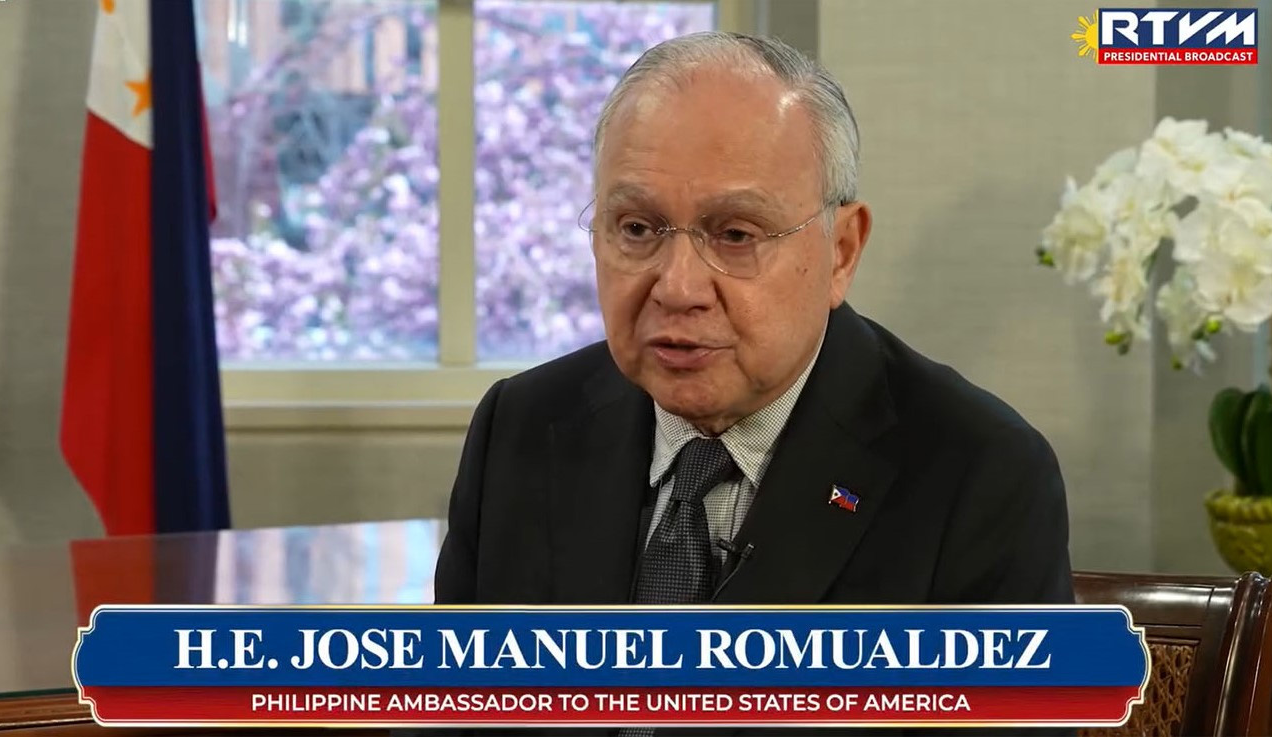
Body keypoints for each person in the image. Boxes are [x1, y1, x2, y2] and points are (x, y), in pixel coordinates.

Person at [436, 30, 1072, 618]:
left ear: (841, 252)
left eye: (736, 234)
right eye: (637, 228)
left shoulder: (979, 474)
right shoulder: (520, 428)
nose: (678, 288)